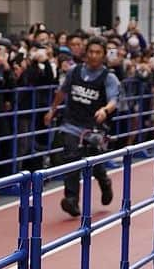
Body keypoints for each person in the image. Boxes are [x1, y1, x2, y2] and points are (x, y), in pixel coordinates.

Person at [43, 36, 120, 217]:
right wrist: (52, 110)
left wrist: (105, 110)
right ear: (86, 53)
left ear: (103, 55)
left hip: (93, 128)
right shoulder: (74, 71)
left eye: (98, 53)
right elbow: (62, 92)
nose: (94, 56)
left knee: (94, 162)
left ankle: (104, 182)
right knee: (72, 159)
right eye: (91, 52)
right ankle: (71, 200)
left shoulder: (108, 77)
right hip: (72, 124)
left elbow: (114, 100)